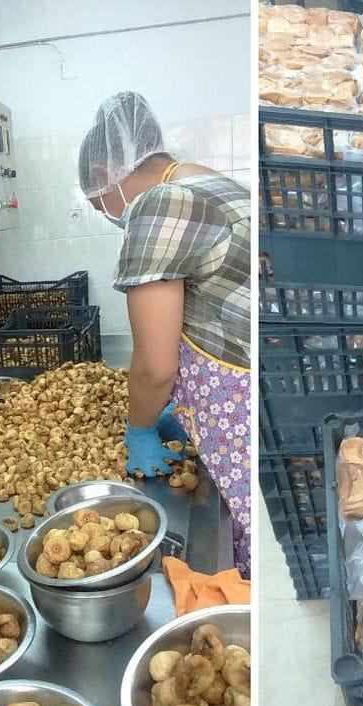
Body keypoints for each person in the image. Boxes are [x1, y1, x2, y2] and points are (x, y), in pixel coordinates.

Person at [78, 92, 251, 577]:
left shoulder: (158, 205)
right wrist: (185, 403)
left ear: (103, 173)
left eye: (100, 205)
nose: (109, 214)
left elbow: (155, 366)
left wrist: (141, 427)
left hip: (238, 408)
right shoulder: (213, 183)